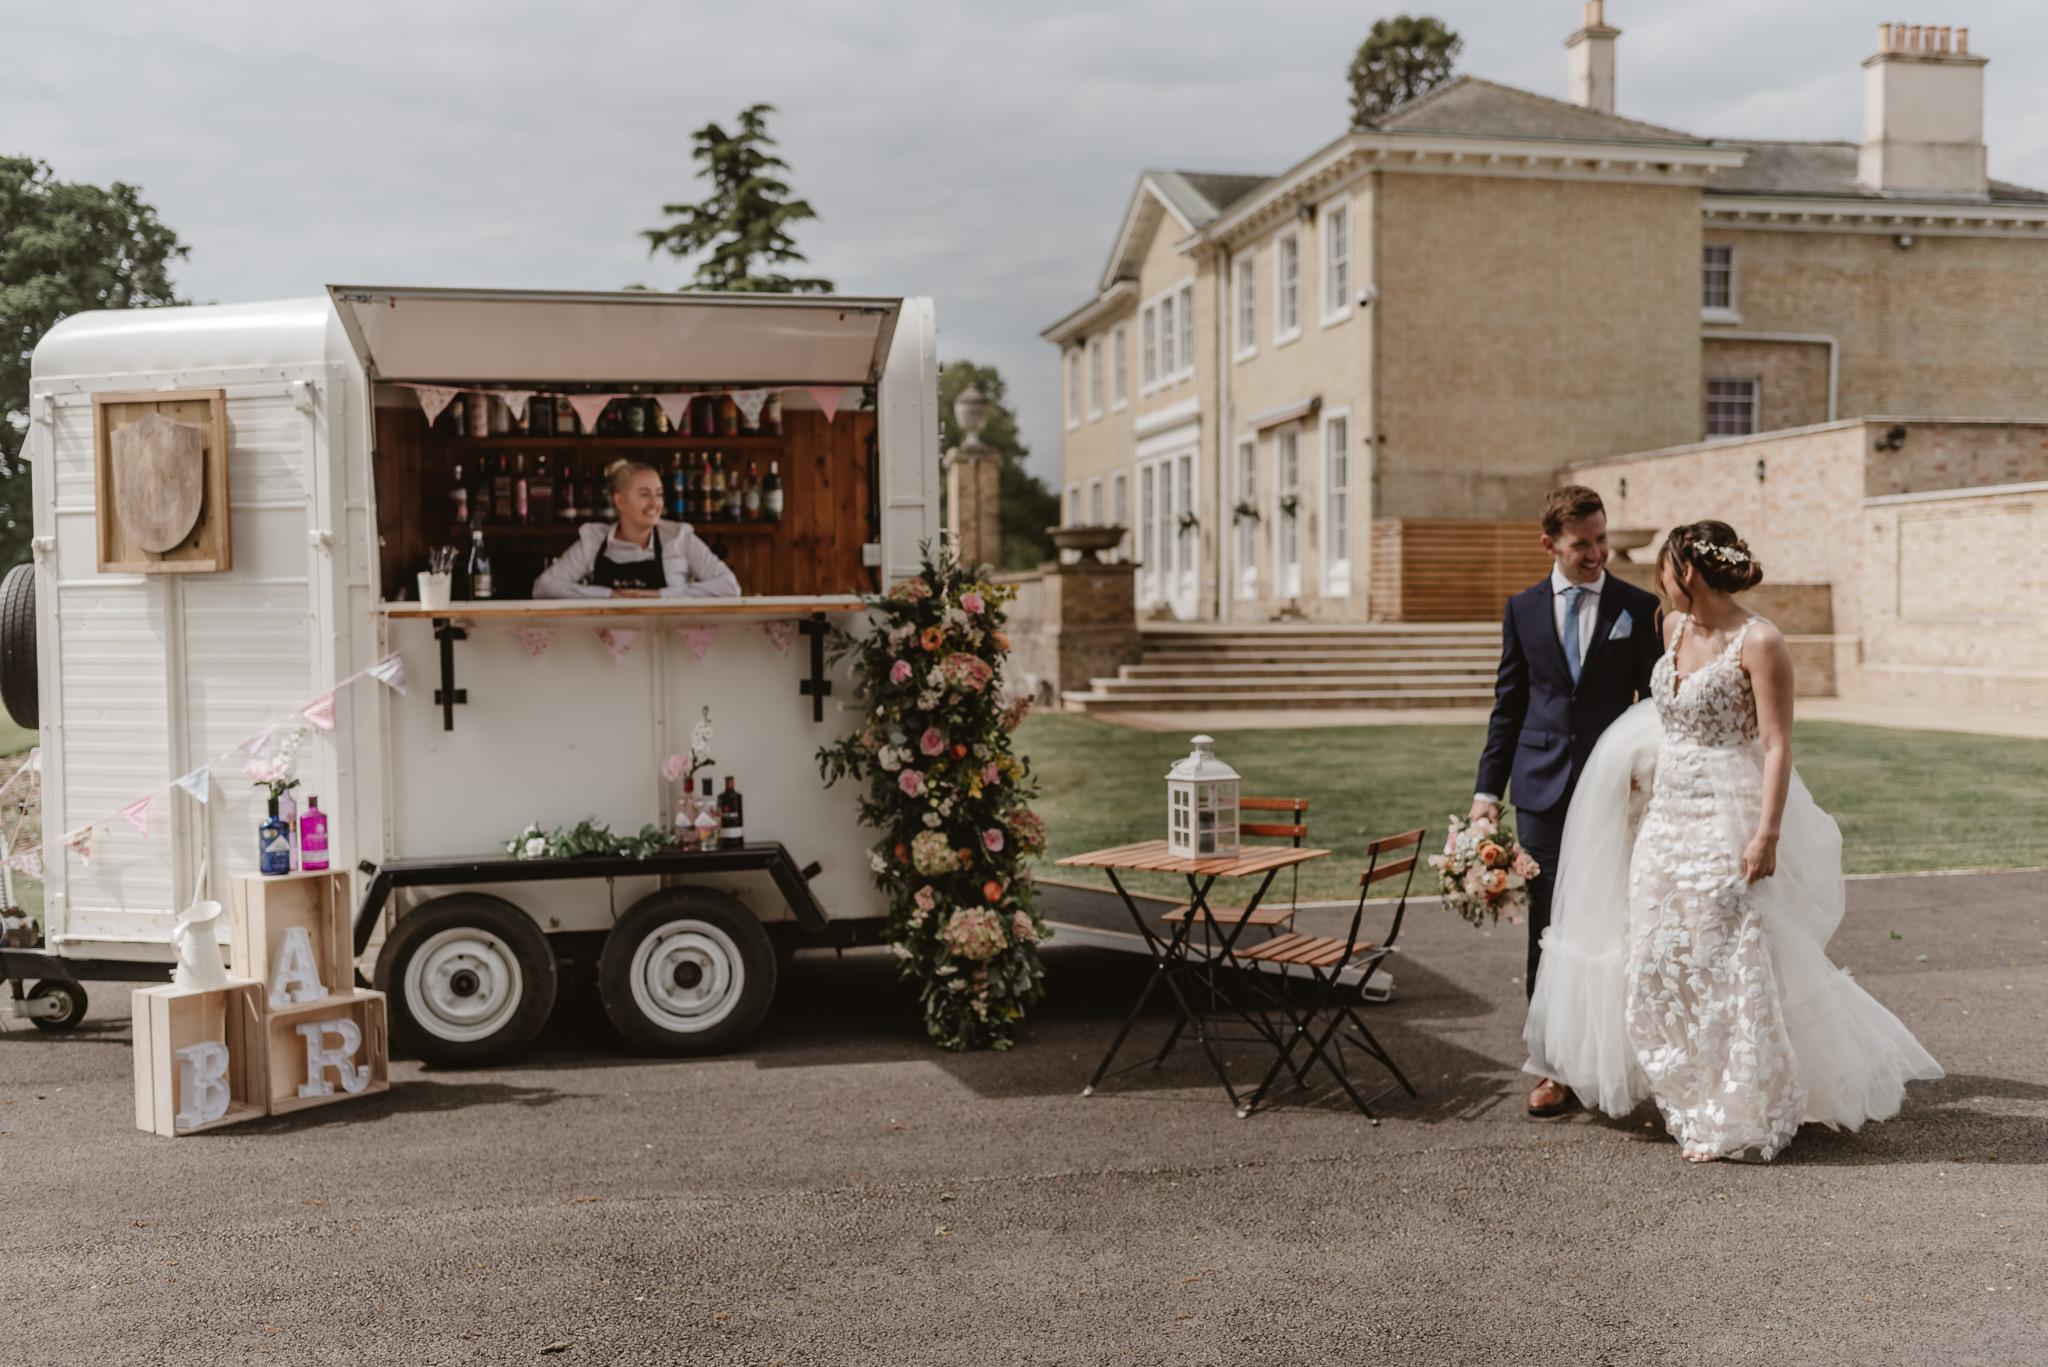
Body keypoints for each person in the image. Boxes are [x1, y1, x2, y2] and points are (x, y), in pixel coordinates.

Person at [1524, 521, 1941, 1162]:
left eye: (1664, 569)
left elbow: (1776, 744)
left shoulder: (1762, 640)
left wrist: (1765, 833)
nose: (1659, 581)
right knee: (1660, 957)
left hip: (1729, 812)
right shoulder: (1673, 629)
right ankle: (1688, 1092)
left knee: (1728, 956)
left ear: (1685, 572)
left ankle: (1740, 1105)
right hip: (1665, 817)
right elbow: (1663, 721)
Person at [1472, 484, 1664, 1118]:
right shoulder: (1522, 609)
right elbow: (1510, 706)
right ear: (1550, 544)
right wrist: (1485, 793)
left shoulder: (1638, 605)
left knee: (1615, 920)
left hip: (1613, 792)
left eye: (1603, 539)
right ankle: (1552, 1065)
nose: (1597, 553)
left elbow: (1658, 706)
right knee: (1550, 928)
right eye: (1583, 544)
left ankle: (1620, 1056)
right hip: (1543, 792)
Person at [533, 459, 740, 600]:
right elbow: (544, 587)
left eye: (658, 494)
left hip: (668, 646)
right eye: (644, 494)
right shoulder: (594, 540)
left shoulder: (678, 537)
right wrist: (609, 595)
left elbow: (729, 587)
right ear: (620, 500)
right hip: (603, 649)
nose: (655, 503)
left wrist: (661, 595)